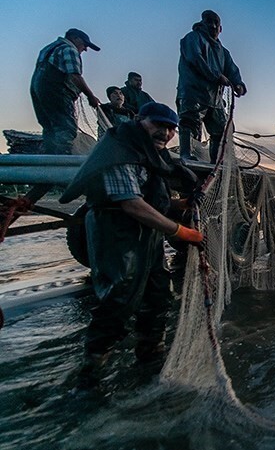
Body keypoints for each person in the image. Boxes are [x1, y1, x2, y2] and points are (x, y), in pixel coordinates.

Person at [59, 102, 204, 388]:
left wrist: (180, 203)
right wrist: (181, 232)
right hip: (117, 233)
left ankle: (151, 355)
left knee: (158, 291)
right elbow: (132, 204)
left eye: (171, 128)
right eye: (158, 125)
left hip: (147, 236)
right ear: (139, 120)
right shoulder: (120, 151)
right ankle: (92, 371)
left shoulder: (151, 155)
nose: (165, 133)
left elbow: (151, 199)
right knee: (119, 295)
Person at [23, 28, 102, 205]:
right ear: (74, 38)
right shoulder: (69, 49)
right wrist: (90, 95)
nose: (85, 49)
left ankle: (51, 157)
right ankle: (61, 164)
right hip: (56, 91)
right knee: (66, 128)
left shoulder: (48, 48)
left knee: (50, 128)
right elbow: (74, 75)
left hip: (38, 90)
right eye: (85, 45)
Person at [177, 10, 247, 162]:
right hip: (193, 93)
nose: (214, 26)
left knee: (221, 130)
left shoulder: (224, 52)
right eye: (209, 22)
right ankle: (186, 155)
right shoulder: (192, 38)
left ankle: (217, 161)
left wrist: (238, 84)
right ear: (203, 24)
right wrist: (216, 76)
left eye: (217, 23)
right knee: (189, 123)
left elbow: (232, 70)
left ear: (221, 29)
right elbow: (195, 59)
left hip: (215, 100)